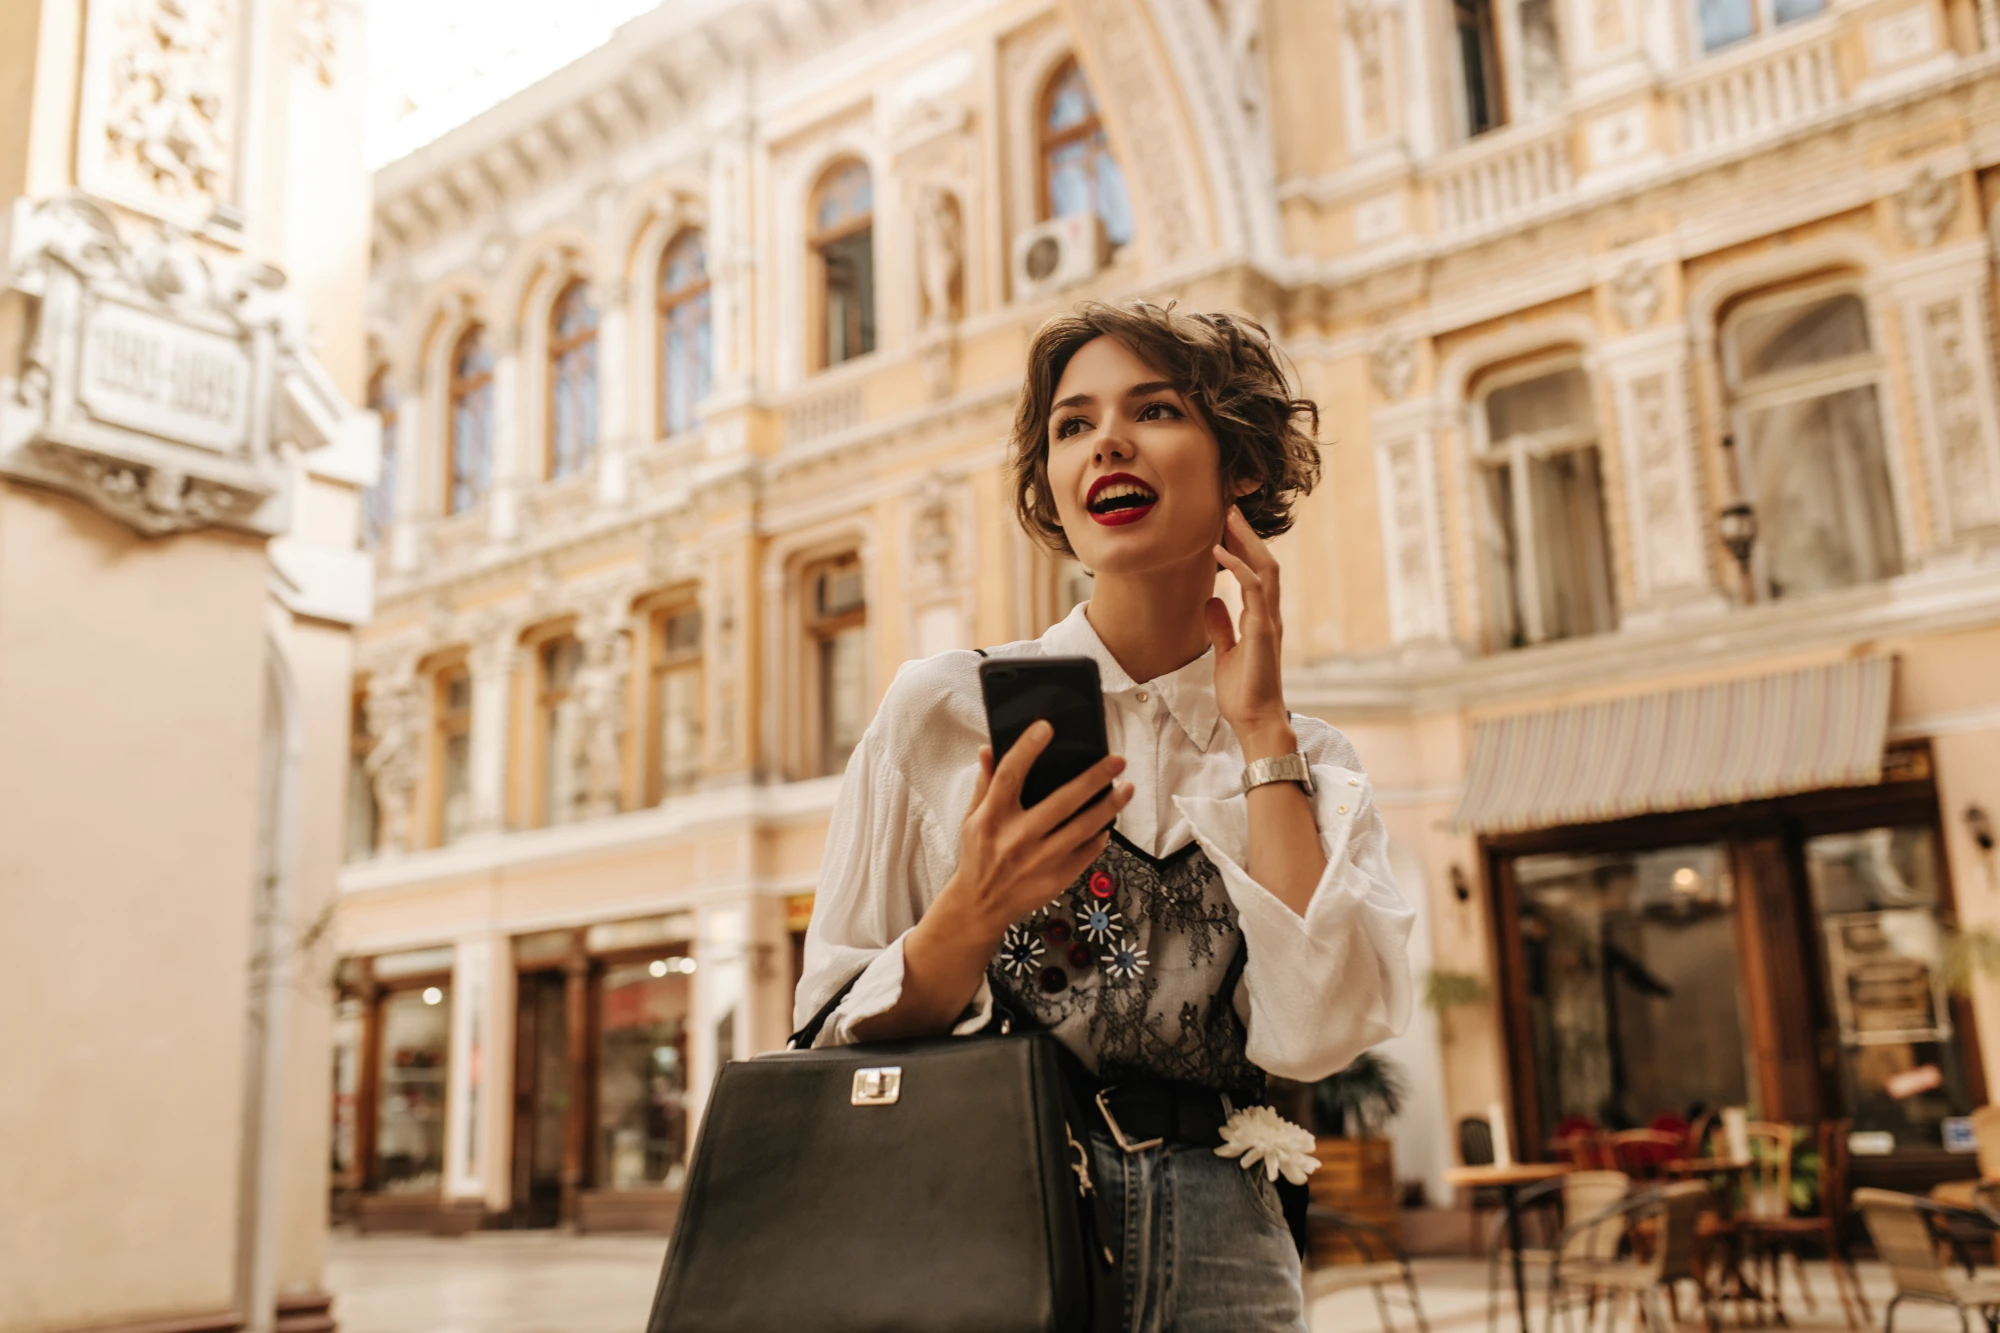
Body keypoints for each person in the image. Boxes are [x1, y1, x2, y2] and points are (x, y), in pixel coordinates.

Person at [795, 299, 1415, 1332]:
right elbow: (827, 1015)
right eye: (1071, 425)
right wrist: (971, 910)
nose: (1106, 442)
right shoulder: (945, 709)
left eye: (1155, 409)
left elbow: (1312, 1034)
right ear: (1049, 482)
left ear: (1241, 470)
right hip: (984, 1216)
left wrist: (1259, 728)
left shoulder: (1305, 758)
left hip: (1227, 1242)